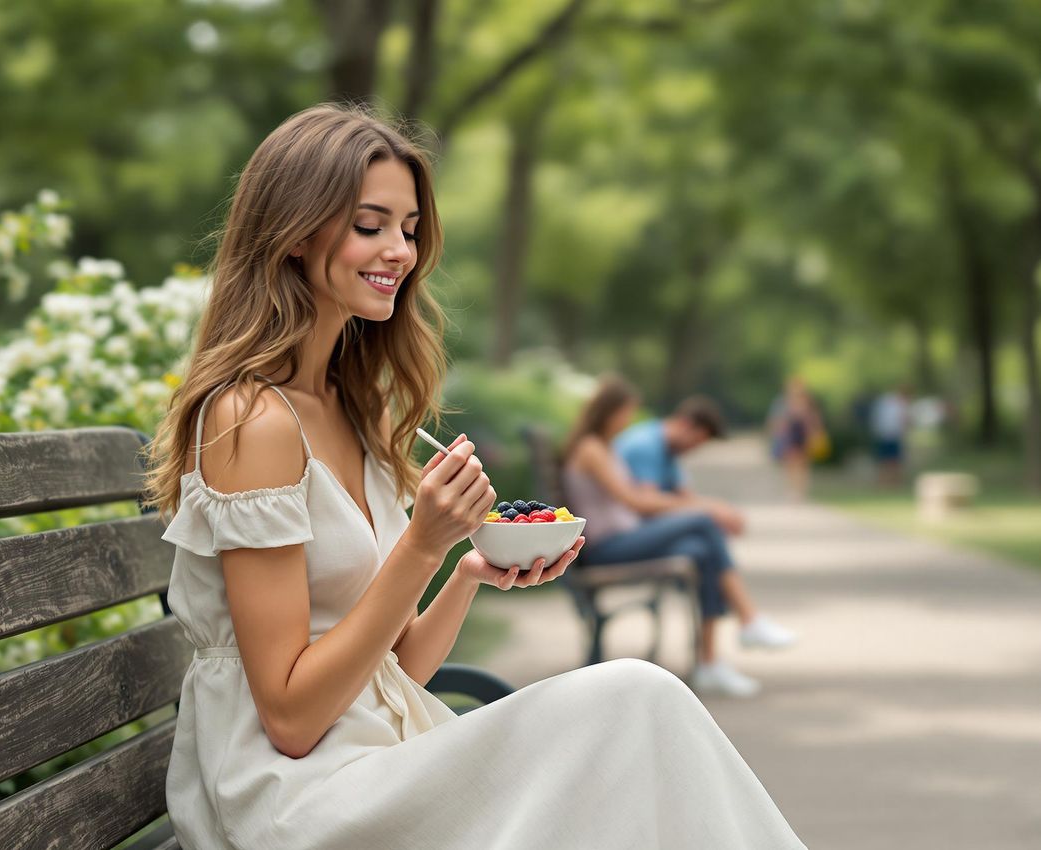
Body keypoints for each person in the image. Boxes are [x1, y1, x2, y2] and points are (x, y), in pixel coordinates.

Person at [143, 104, 806, 849]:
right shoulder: (251, 421)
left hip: (378, 761)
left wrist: (465, 571)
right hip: (295, 800)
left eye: (410, 228)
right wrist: (422, 546)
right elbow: (293, 720)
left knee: (637, 723)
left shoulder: (351, 408)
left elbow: (395, 676)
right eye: (372, 225)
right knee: (636, 696)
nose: (400, 250)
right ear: (296, 232)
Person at [563, 376, 797, 699]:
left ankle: (710, 663)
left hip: (623, 539)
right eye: (626, 412)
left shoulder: (605, 448)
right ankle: (748, 621)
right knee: (702, 520)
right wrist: (708, 507)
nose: (629, 420)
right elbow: (634, 501)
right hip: (606, 547)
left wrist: (702, 507)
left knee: (699, 549)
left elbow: (648, 497)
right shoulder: (592, 449)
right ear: (610, 411)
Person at [615, 394, 746, 534]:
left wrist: (718, 508)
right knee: (703, 523)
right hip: (623, 526)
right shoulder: (645, 445)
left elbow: (684, 496)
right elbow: (648, 502)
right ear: (685, 424)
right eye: (696, 440)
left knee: (704, 529)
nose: (695, 448)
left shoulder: (669, 450)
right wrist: (708, 509)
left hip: (638, 523)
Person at [766, 377, 826, 501]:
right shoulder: (783, 403)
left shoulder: (808, 402)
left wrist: (816, 432)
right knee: (790, 465)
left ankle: (800, 491)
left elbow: (815, 420)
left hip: (804, 437)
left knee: (803, 465)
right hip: (789, 437)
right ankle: (792, 490)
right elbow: (776, 421)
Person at [871, 384, 909, 487]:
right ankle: (892, 482)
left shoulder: (885, 402)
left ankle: (887, 482)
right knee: (893, 460)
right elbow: (903, 419)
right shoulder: (897, 404)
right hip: (891, 434)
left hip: (884, 434)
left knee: (886, 460)